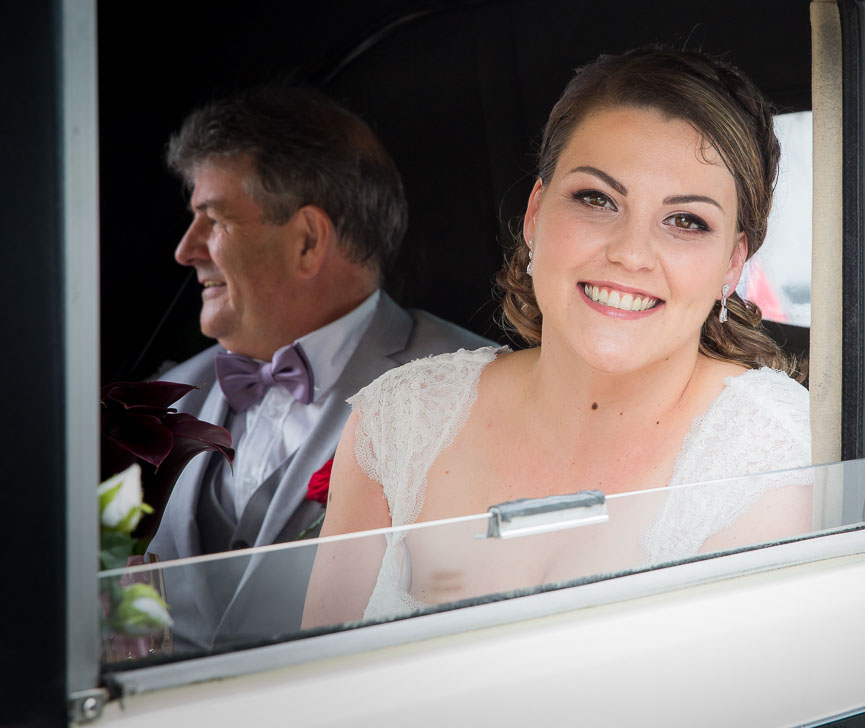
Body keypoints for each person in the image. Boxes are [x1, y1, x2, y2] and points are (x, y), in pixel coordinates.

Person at [303, 49, 812, 629]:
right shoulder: (396, 423)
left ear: (732, 263)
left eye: (686, 221)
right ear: (536, 214)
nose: (630, 253)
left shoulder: (773, 456)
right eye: (597, 200)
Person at [148, 87, 492, 651]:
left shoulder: (471, 390)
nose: (187, 250)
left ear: (308, 241)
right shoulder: (168, 397)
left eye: (213, 221)